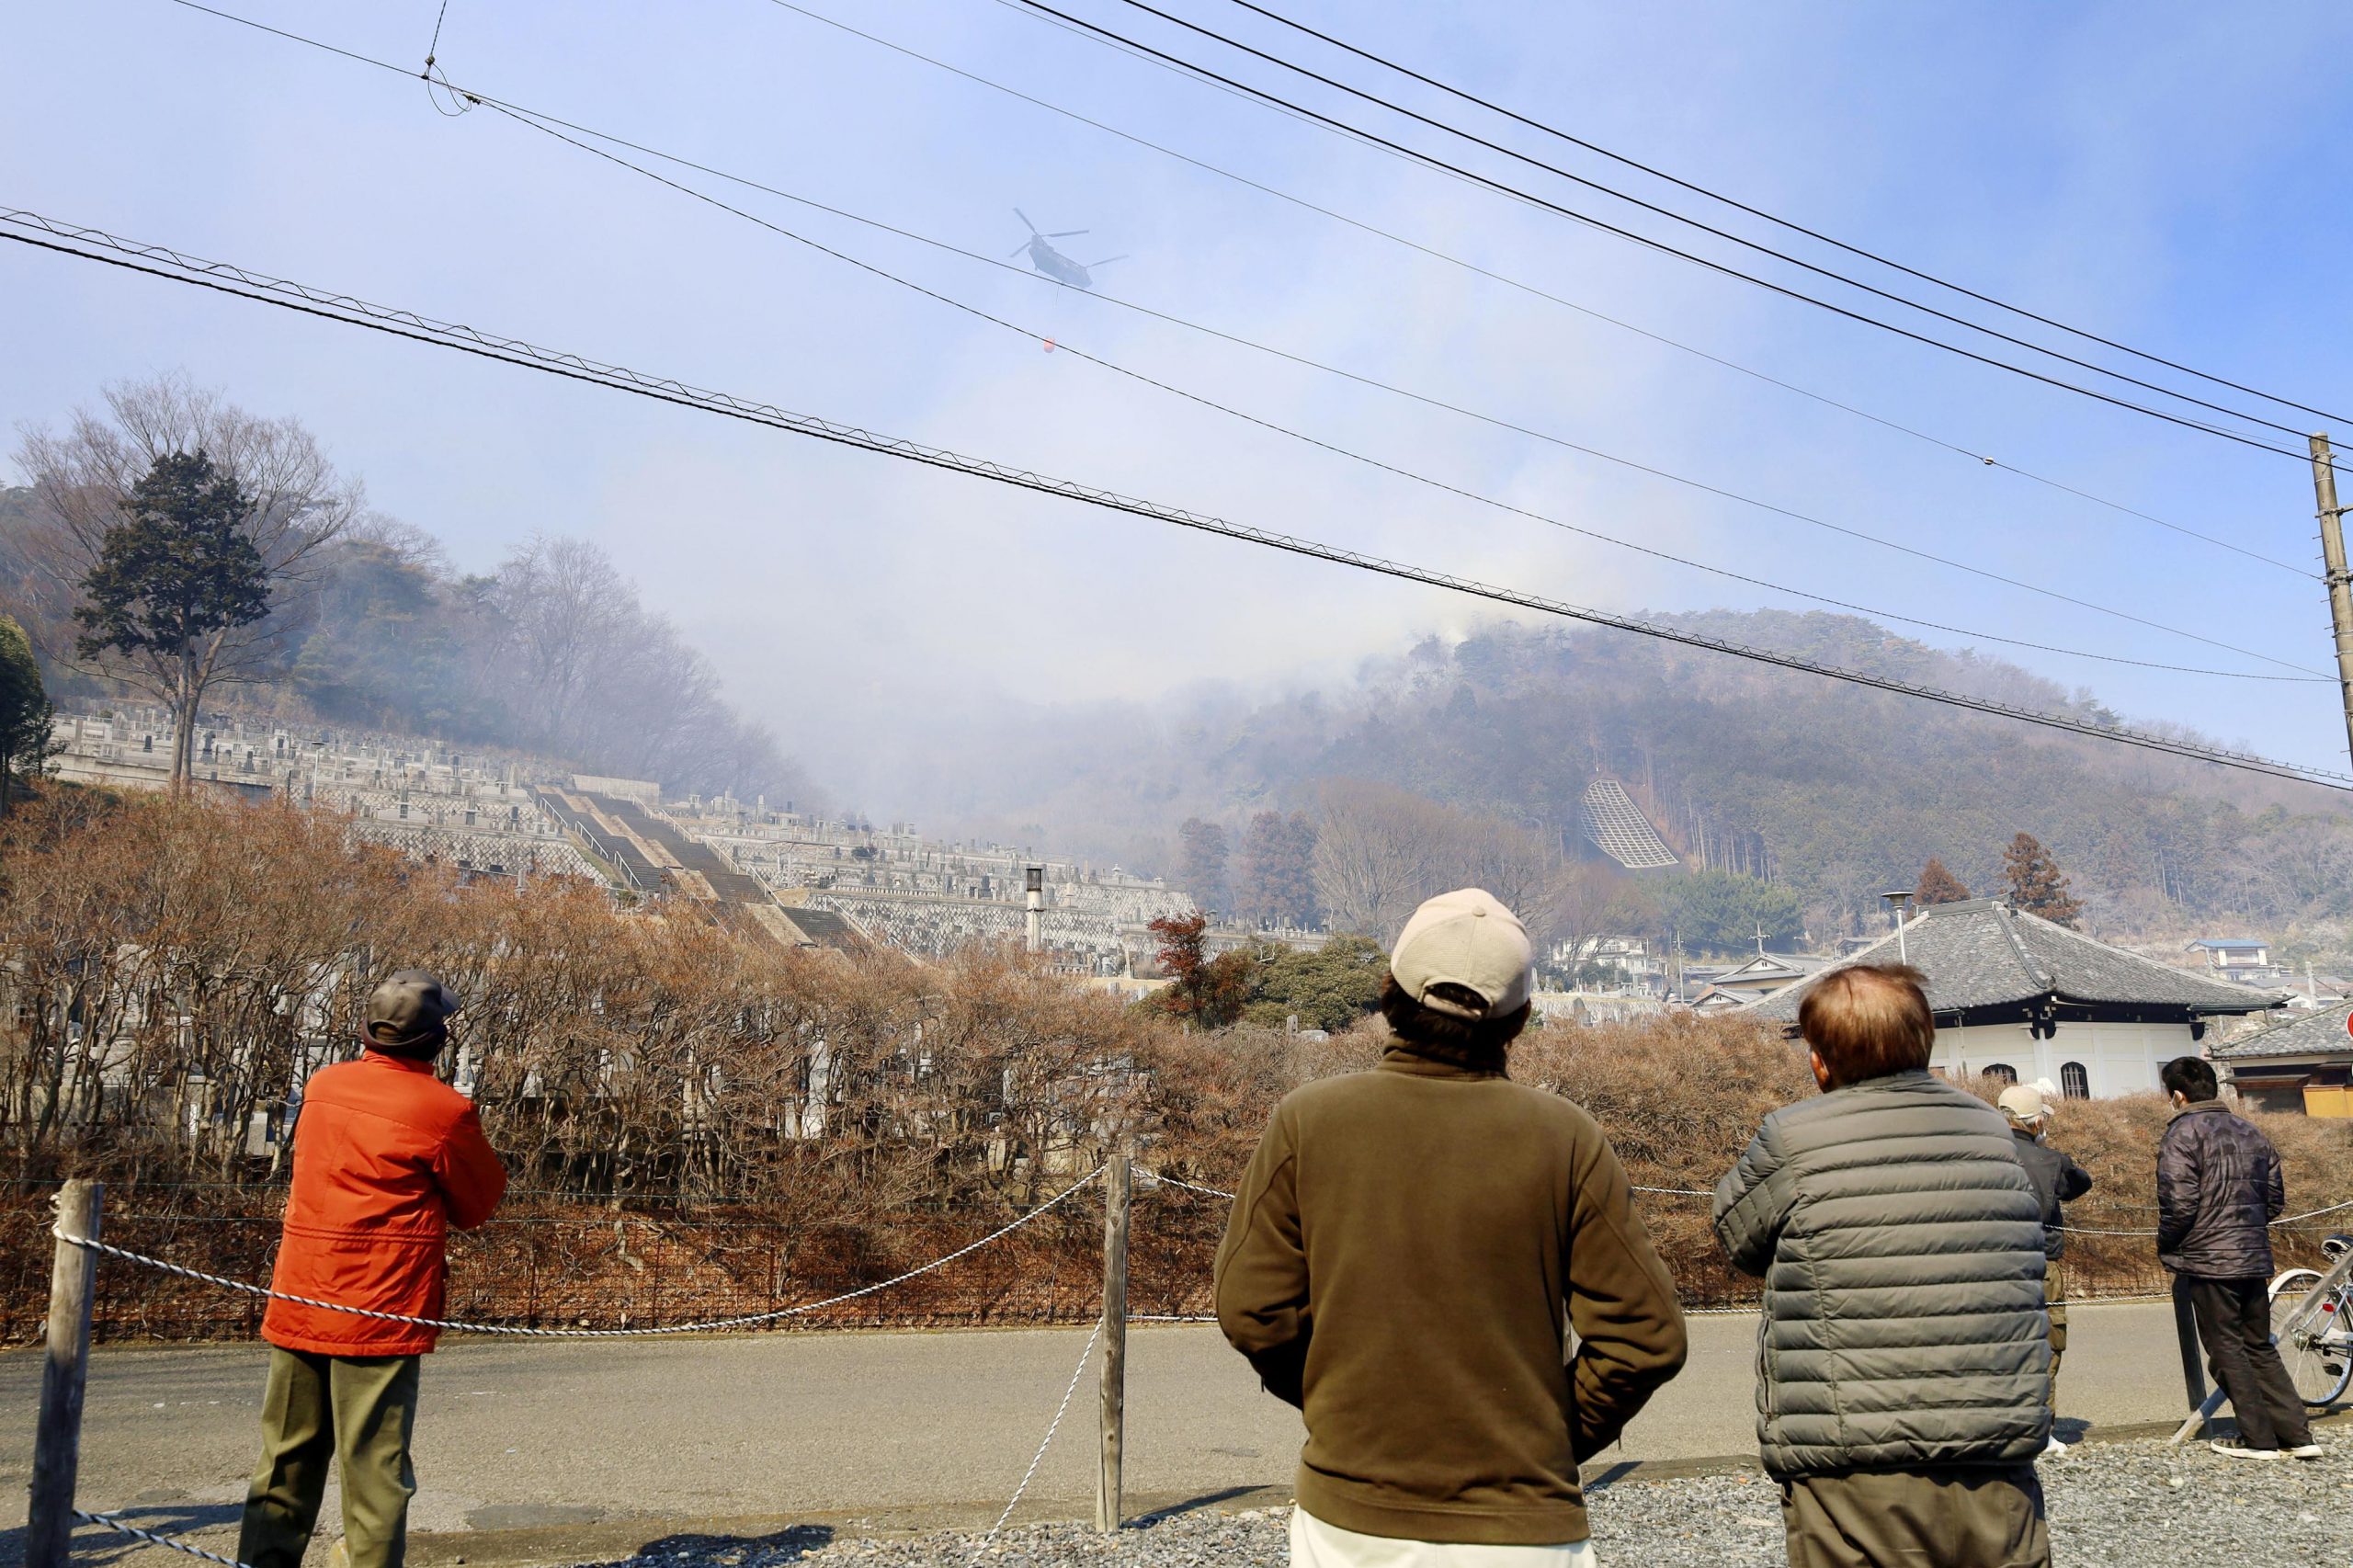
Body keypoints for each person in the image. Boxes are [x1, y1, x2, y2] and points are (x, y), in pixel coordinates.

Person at [1215, 888, 1688, 1567]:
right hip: (1525, 1525)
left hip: (1351, 1516)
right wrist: (1551, 1431)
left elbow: (1252, 1310)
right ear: (1519, 1019)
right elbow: (1647, 1337)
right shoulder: (1566, 1140)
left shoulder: (1308, 1121)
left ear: (1389, 994)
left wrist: (1335, 1401)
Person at [1713, 964, 2051, 1568]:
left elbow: (1738, 1238)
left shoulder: (1794, 1137)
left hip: (1851, 1456)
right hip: (1993, 1446)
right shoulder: (1992, 1130)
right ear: (1927, 1043)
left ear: (1819, 1061)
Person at [238, 971, 509, 1568]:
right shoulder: (443, 1110)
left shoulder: (323, 1084)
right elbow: (479, 1203)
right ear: (435, 1042)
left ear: (369, 1031)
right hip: (378, 1307)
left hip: (302, 1292)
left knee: (285, 1457)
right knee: (375, 1470)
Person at [2155, 1054, 2319, 1461]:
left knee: (2227, 1348)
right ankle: (2298, 1435)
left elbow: (2179, 1203)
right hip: (2253, 1254)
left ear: (2177, 1095)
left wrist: (2168, 1245)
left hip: (2208, 1258)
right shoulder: (2252, 1132)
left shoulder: (2182, 1134)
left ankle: (2257, 1438)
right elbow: (2274, 1199)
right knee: (2259, 1346)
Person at [1997, 1082, 2093, 1452]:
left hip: (1991, 1265)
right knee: (2048, 1344)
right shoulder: (2050, 1161)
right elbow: (2079, 1184)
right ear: (2035, 1122)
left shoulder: (1978, 1154)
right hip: (2041, 1262)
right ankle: (2041, 1430)